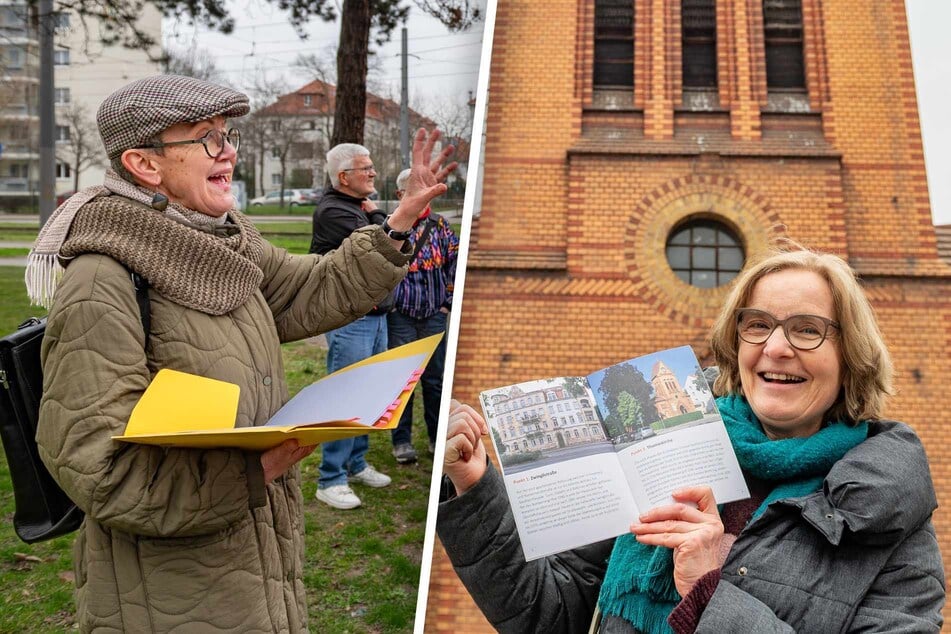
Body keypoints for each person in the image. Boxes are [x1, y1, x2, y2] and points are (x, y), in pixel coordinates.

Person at [28, 74, 451, 633]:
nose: (228, 149)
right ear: (144, 164)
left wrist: (397, 223)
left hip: (252, 566)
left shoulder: (226, 244)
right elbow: (99, 469)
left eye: (227, 134)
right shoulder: (102, 279)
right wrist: (260, 467)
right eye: (206, 137)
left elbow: (311, 287)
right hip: (168, 594)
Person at [437, 247, 945, 633]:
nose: (776, 347)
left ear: (851, 356)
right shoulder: (665, 438)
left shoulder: (889, 513)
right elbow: (547, 612)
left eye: (807, 330)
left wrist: (709, 590)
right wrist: (475, 482)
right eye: (758, 325)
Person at [311, 144, 457, 507]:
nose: (374, 173)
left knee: (369, 394)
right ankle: (330, 478)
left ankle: (356, 463)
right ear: (344, 177)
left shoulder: (357, 208)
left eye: (373, 167)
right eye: (366, 168)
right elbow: (384, 246)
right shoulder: (335, 211)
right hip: (352, 317)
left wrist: (377, 212)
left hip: (375, 315)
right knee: (346, 395)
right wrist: (381, 215)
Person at [388, 167, 459, 464]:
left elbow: (455, 264)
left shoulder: (440, 227)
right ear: (399, 195)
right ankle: (401, 441)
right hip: (401, 315)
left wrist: (447, 304)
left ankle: (435, 437)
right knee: (402, 381)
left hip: (433, 316)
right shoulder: (390, 227)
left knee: (434, 381)